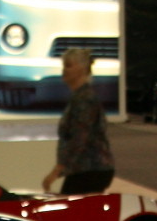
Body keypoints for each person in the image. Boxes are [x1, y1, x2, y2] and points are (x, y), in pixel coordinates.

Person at [43, 47, 112, 194]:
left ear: (82, 69)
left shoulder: (84, 99)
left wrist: (57, 170)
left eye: (68, 66)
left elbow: (80, 137)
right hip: (85, 169)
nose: (64, 70)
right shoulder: (80, 96)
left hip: (90, 169)